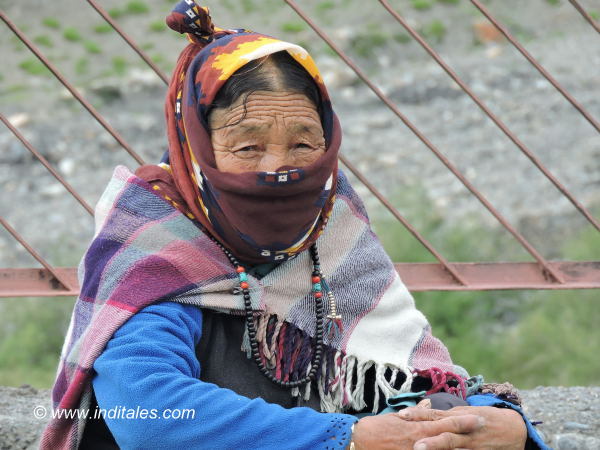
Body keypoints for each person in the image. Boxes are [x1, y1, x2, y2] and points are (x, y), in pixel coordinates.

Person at [41, 2, 548, 449]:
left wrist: (510, 428)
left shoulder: (330, 225)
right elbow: (149, 412)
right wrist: (347, 439)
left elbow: (416, 382)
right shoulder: (157, 239)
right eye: (247, 147)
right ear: (195, 150)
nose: (277, 169)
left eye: (304, 144)